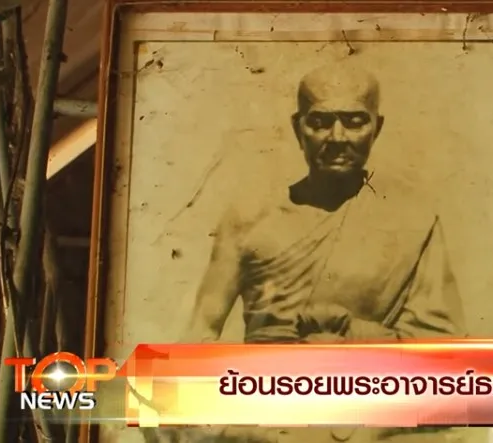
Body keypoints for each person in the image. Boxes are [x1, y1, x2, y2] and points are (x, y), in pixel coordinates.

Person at [150, 63, 467, 443]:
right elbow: (196, 340)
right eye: (320, 122)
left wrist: (355, 348)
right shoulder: (250, 221)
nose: (337, 137)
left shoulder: (411, 221)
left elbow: (445, 363)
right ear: (297, 127)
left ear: (377, 127)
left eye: (355, 122)